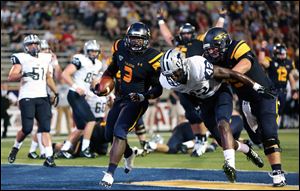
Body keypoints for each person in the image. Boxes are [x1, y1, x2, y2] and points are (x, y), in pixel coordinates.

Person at [159, 49, 271, 182]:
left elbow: (230, 74)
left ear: (182, 64)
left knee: (223, 124)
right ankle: (248, 150)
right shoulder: (166, 81)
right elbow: (184, 93)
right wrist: (195, 106)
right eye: (170, 75)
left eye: (175, 72)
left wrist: (256, 86)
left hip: (219, 94)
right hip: (204, 103)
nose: (174, 77)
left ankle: (230, 165)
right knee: (223, 141)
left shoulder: (197, 66)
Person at [203, 27, 286, 187]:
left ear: (224, 43)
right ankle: (246, 146)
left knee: (269, 134)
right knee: (257, 139)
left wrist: (223, 73)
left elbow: (245, 65)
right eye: (209, 50)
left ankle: (277, 173)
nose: (212, 53)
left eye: (214, 48)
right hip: (246, 102)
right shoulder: (212, 60)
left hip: (264, 95)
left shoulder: (237, 46)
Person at [92, 22, 163, 188]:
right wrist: (103, 85)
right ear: (127, 38)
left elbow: (158, 88)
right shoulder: (121, 47)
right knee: (108, 135)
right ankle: (129, 153)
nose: (135, 42)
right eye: (132, 38)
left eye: (139, 39)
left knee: (119, 131)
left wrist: (144, 95)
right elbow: (110, 71)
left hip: (137, 100)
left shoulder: (153, 57)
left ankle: (109, 174)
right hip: (120, 97)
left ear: (146, 40)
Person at [156, 8, 228, 157]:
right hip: (183, 84)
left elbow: (215, 32)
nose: (186, 36)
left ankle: (206, 139)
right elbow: (167, 35)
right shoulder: (177, 44)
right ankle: (199, 141)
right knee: (191, 114)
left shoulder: (200, 41)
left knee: (202, 113)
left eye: (188, 33)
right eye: (184, 33)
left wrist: (221, 17)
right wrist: (160, 20)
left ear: (193, 33)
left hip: (199, 79)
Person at [7, 34, 58, 167]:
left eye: (35, 43)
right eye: (30, 44)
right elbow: (11, 77)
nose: (33, 46)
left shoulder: (45, 58)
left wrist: (55, 91)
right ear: (25, 47)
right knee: (27, 129)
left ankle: (49, 157)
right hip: (27, 97)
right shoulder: (21, 58)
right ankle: (16, 147)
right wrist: (23, 73)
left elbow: (48, 76)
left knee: (45, 128)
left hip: (42, 96)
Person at [59, 40, 104, 159]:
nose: (93, 53)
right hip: (74, 94)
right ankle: (85, 149)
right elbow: (65, 74)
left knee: (80, 127)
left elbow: (93, 81)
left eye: (95, 51)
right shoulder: (80, 59)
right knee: (91, 121)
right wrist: (75, 87)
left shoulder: (98, 64)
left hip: (82, 95)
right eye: (91, 51)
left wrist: (97, 91)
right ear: (86, 51)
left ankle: (64, 150)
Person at [27, 39, 62, 159]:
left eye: (47, 49)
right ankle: (43, 151)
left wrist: (56, 63)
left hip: (45, 94)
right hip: (37, 94)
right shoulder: (35, 62)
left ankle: (33, 150)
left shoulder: (48, 63)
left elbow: (58, 77)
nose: (46, 51)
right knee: (43, 125)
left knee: (43, 124)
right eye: (43, 49)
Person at [144, 114, 244, 155]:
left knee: (171, 148)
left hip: (182, 127)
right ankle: (187, 145)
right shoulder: (224, 121)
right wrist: (212, 146)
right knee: (200, 141)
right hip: (193, 128)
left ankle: (152, 145)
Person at [258, 42, 298, 128]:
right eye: (280, 53)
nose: (282, 55)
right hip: (272, 90)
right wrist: (262, 49)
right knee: (271, 111)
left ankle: (275, 129)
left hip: (283, 92)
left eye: (283, 53)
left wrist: (294, 90)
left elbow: (291, 77)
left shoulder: (289, 62)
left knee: (279, 112)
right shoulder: (271, 61)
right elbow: (261, 61)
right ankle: (270, 128)